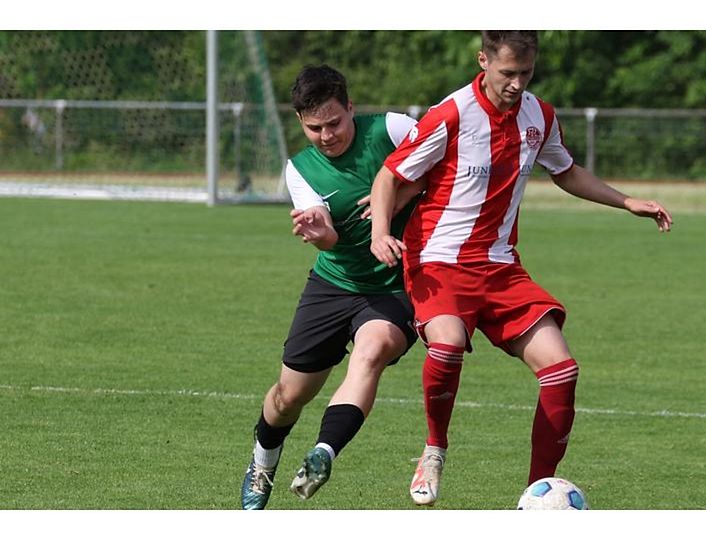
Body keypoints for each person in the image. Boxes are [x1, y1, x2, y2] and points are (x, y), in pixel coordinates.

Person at [369, 31, 672, 507]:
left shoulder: (539, 115)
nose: (516, 84)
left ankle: (536, 497)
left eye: (525, 74)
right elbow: (391, 175)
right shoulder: (451, 114)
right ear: (483, 60)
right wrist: (380, 232)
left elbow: (566, 170)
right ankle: (433, 450)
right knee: (446, 346)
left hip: (501, 267)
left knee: (562, 370)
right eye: (507, 73)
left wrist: (627, 201)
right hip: (440, 261)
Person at [241, 64, 424, 510]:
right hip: (334, 282)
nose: (326, 136)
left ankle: (323, 453)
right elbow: (329, 236)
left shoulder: (393, 128)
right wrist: (319, 233)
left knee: (373, 349)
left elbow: (448, 161)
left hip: (397, 286)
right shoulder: (300, 170)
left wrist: (398, 195)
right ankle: (263, 460)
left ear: (351, 109)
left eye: (335, 123)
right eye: (314, 127)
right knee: (288, 397)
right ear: (301, 123)